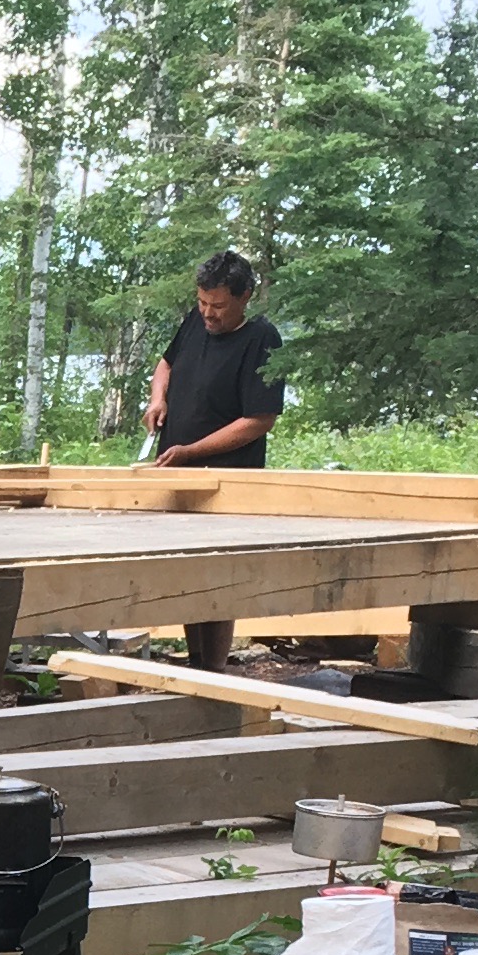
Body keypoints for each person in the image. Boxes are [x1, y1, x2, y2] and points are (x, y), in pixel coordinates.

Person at [140, 251, 285, 666]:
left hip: (228, 479)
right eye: (203, 302)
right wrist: (158, 399)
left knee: (220, 574)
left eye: (218, 306)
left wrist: (193, 450)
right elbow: (165, 364)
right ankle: (197, 660)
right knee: (187, 571)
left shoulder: (261, 339)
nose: (208, 313)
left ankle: (215, 668)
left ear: (244, 297)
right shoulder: (195, 321)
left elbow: (258, 420)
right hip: (179, 471)